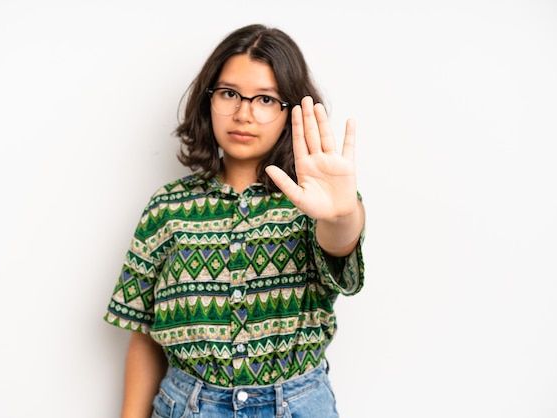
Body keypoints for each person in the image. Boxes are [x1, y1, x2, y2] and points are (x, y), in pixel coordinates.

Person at [103, 23, 366, 418]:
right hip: (187, 405)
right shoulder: (167, 208)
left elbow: (340, 240)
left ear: (291, 109)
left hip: (296, 406)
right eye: (229, 94)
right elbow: (144, 334)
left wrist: (343, 214)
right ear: (208, 99)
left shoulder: (314, 202)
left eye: (265, 99)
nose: (244, 113)